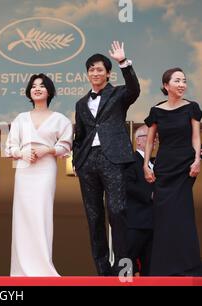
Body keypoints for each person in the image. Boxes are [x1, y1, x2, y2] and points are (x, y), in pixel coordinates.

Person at [72, 41, 140, 276]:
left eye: (99, 69)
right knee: (94, 217)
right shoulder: (81, 103)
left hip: (114, 158)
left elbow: (134, 89)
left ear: (108, 73)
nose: (95, 73)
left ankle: (123, 267)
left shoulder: (120, 93)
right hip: (88, 162)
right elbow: (79, 135)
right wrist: (77, 162)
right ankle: (103, 272)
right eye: (91, 69)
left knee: (118, 210)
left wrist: (123, 62)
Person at [6, 73, 73, 276]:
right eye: (33, 86)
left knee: (41, 215)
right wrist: (22, 153)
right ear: (29, 91)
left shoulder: (60, 119)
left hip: (46, 168)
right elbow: (10, 148)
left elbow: (66, 144)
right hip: (24, 169)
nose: (37, 89)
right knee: (22, 217)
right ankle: (20, 272)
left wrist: (49, 150)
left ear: (49, 91)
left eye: (42, 86)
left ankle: (43, 269)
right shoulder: (20, 118)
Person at [144, 67, 201, 276]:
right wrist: (145, 166)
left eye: (184, 81)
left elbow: (196, 136)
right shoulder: (157, 110)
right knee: (164, 216)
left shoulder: (192, 108)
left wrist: (197, 159)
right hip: (164, 167)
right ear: (166, 85)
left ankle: (189, 268)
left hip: (185, 166)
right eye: (177, 80)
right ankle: (163, 269)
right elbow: (150, 140)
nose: (182, 84)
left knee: (182, 214)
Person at [126, 125, 155, 276]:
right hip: (136, 222)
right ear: (138, 141)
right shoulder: (130, 160)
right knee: (127, 260)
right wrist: (149, 195)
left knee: (150, 265)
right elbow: (127, 185)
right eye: (150, 136)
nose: (154, 140)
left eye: (155, 137)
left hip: (154, 223)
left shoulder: (157, 162)